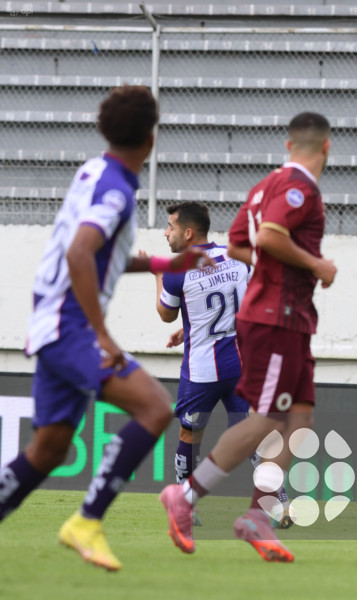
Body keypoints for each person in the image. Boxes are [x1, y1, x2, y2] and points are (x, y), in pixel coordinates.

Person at [0, 86, 213, 571]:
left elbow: (98, 255)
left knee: (49, 449)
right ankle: (87, 521)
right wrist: (102, 334)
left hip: (52, 321)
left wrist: (165, 262)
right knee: (155, 407)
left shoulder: (95, 171)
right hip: (69, 326)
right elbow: (80, 253)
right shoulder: (116, 191)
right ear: (151, 139)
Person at [159, 111, 337, 563]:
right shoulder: (299, 189)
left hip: (286, 319)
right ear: (326, 147)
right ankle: (187, 497)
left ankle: (257, 514)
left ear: (288, 145)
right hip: (277, 318)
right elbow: (271, 237)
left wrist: (283, 268)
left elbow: (241, 245)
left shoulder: (263, 188)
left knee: (299, 419)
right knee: (267, 421)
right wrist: (315, 265)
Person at [146, 201, 255, 525]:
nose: (166, 233)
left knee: (190, 435)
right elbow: (243, 301)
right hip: (240, 366)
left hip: (202, 372)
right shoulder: (236, 256)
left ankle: (185, 506)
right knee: (252, 436)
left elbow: (166, 314)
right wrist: (193, 326)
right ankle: (279, 503)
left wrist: (157, 275)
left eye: (171, 227)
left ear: (188, 233)